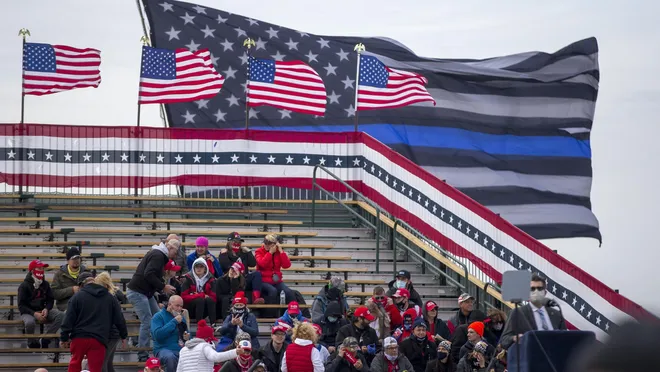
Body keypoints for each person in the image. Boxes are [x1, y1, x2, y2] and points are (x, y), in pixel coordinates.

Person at [60, 269, 128, 372]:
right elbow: (119, 318)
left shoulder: (77, 297)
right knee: (96, 369)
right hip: (98, 339)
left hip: (79, 338)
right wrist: (123, 335)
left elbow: (68, 319)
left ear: (81, 285)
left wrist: (64, 337)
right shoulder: (109, 297)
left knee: (74, 365)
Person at [127, 237, 181, 362]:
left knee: (158, 316)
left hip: (145, 292)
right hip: (138, 292)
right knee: (147, 321)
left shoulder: (157, 254)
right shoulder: (158, 255)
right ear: (170, 248)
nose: (175, 255)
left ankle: (158, 345)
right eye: (175, 251)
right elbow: (148, 273)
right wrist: (163, 286)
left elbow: (149, 274)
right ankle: (142, 353)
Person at [500, 273, 567, 350]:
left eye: (539, 288)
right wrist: (515, 338)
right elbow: (504, 340)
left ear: (545, 292)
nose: (536, 291)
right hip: (531, 356)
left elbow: (565, 337)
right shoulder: (518, 313)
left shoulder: (556, 314)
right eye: (532, 289)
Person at [18, 260, 64, 349]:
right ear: (32, 270)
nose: (42, 270)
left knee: (61, 315)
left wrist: (47, 308)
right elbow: (21, 306)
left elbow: (50, 299)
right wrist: (34, 313)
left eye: (43, 268)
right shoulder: (24, 286)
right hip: (28, 312)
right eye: (39, 268)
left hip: (43, 310)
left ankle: (45, 339)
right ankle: (31, 343)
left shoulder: (45, 284)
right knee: (30, 323)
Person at [176, 319, 245, 372]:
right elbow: (217, 357)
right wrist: (236, 352)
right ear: (207, 339)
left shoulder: (183, 350)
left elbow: (179, 370)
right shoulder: (204, 347)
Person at [91, 272, 127, 372]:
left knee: (102, 363)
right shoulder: (113, 295)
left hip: (109, 333)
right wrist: (123, 335)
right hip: (113, 333)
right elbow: (120, 317)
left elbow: (118, 318)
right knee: (107, 362)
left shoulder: (105, 298)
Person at [218, 232, 264, 304]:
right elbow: (225, 266)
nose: (237, 244)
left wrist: (249, 252)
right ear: (229, 242)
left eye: (239, 242)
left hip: (244, 277)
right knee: (235, 278)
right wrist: (223, 255)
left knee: (257, 274)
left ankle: (256, 298)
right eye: (235, 242)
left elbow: (253, 264)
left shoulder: (243, 253)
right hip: (231, 278)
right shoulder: (224, 253)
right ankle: (238, 298)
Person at [152, 295, 189, 372]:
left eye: (181, 306)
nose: (179, 309)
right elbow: (158, 336)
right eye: (177, 306)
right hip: (163, 349)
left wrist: (187, 337)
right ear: (169, 305)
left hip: (180, 349)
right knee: (170, 357)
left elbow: (187, 335)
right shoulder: (158, 316)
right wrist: (174, 322)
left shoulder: (181, 318)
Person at [254, 234, 293, 302]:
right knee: (273, 291)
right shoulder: (259, 251)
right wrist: (270, 253)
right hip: (263, 280)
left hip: (276, 280)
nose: (266, 245)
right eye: (265, 242)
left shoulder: (278, 252)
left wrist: (281, 252)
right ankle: (270, 312)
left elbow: (286, 265)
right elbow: (262, 264)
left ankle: (289, 311)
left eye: (269, 243)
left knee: (288, 292)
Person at [51, 247, 90, 312]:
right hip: (66, 305)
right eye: (73, 258)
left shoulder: (87, 273)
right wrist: (71, 290)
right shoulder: (59, 274)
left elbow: (94, 289)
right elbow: (54, 293)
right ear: (68, 260)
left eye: (78, 258)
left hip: (84, 304)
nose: (76, 260)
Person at [181, 258, 217, 325]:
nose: (199, 269)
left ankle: (213, 324)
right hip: (190, 309)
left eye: (201, 266)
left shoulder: (211, 279)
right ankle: (199, 325)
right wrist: (201, 295)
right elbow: (184, 297)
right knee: (200, 300)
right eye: (197, 266)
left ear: (205, 268)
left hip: (205, 310)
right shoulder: (187, 279)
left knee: (210, 300)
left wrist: (194, 295)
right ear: (193, 268)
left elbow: (214, 297)